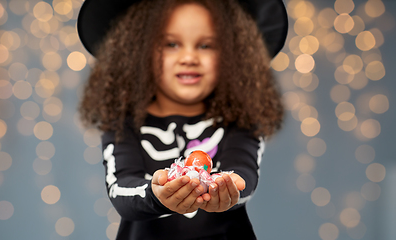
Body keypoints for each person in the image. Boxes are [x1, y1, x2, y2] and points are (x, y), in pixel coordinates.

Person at [77, 0, 288, 239]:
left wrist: (231, 187)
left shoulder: (241, 119)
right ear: (137, 50)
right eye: (171, 44)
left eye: (206, 45)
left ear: (234, 55)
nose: (189, 57)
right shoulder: (121, 123)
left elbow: (243, 172)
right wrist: (155, 196)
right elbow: (121, 191)